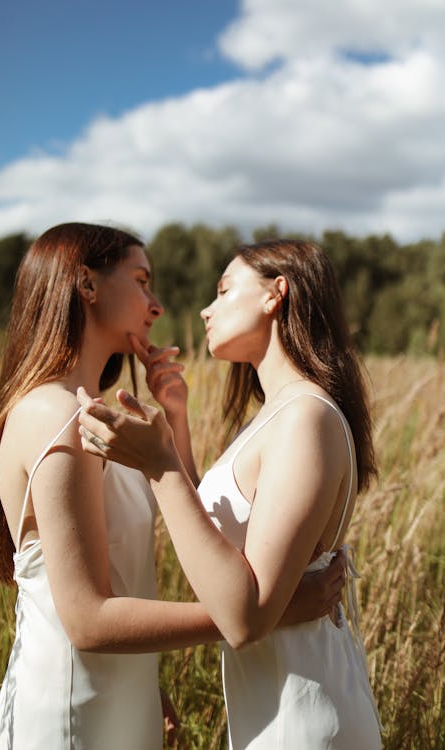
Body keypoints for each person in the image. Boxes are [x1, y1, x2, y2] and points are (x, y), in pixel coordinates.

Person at [0, 224, 346, 750]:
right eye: (142, 280)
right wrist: (265, 614)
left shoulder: (98, 416)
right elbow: (84, 619)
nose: (156, 305)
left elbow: (188, 524)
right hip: (69, 711)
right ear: (86, 283)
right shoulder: (51, 413)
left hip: (120, 696)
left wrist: (174, 415)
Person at [78, 238, 383, 749]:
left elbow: (244, 619)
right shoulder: (277, 415)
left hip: (305, 714)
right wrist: (175, 419)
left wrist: (160, 466)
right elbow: (221, 544)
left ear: (275, 295)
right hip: (274, 702)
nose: (205, 308)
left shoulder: (305, 417)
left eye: (223, 290)